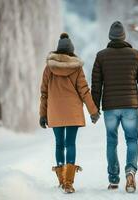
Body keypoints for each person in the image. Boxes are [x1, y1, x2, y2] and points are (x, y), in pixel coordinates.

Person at [91, 21, 138, 193]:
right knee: (131, 140)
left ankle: (113, 179)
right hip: (130, 106)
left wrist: (94, 108)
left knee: (112, 141)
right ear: (124, 36)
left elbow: (96, 85)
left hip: (110, 107)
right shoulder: (135, 55)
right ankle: (130, 171)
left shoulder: (101, 56)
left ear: (110, 37)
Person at [39, 33, 100, 194]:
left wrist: (42, 114)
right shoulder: (76, 68)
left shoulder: (49, 68)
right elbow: (84, 91)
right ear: (71, 51)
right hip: (72, 112)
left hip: (55, 111)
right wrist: (93, 111)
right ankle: (68, 182)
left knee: (59, 144)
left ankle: (61, 179)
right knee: (70, 144)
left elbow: (44, 93)